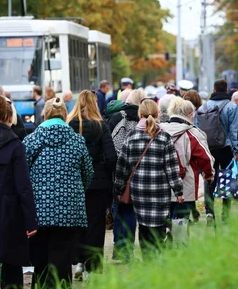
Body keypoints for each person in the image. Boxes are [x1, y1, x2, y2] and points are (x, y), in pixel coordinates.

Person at [23, 97, 93, 288]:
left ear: (44, 115)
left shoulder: (31, 140)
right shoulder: (77, 141)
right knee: (62, 258)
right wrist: (76, 191)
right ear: (64, 115)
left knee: (40, 259)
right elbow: (88, 172)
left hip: (39, 209)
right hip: (69, 210)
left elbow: (23, 175)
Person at [114, 99, 184, 259]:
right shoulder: (164, 138)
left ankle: (147, 258)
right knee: (159, 224)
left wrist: (118, 189)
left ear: (140, 115)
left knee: (144, 225)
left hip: (139, 190)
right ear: (158, 114)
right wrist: (178, 191)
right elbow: (172, 168)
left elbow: (122, 167)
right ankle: (158, 254)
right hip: (160, 190)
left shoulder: (131, 137)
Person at [67, 90, 117, 278]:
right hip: (98, 182)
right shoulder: (100, 125)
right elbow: (112, 156)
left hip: (76, 183)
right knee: (95, 225)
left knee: (77, 223)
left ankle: (79, 261)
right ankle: (92, 267)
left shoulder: (70, 125)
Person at [0, 95, 38, 289]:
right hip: (10, 211)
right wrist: (31, 221)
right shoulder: (15, 145)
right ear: (8, 116)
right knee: (12, 263)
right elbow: (23, 186)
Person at [160, 98, 215, 221]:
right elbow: (205, 158)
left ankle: (166, 235)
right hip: (185, 183)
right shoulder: (193, 133)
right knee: (181, 222)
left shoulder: (159, 130)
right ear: (190, 114)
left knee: (163, 221)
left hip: (160, 182)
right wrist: (209, 176)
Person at [107, 89, 146, 262]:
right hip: (138, 171)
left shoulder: (117, 118)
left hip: (118, 170)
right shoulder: (143, 119)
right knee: (131, 212)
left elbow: (111, 144)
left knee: (118, 208)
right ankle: (128, 250)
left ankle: (118, 247)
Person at [197, 79, 238, 226]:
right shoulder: (232, 107)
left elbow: (199, 129)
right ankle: (225, 214)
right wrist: (236, 150)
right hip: (226, 148)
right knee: (227, 179)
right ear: (226, 90)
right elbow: (234, 131)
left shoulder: (204, 106)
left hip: (209, 148)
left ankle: (209, 211)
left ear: (214, 90)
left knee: (209, 178)